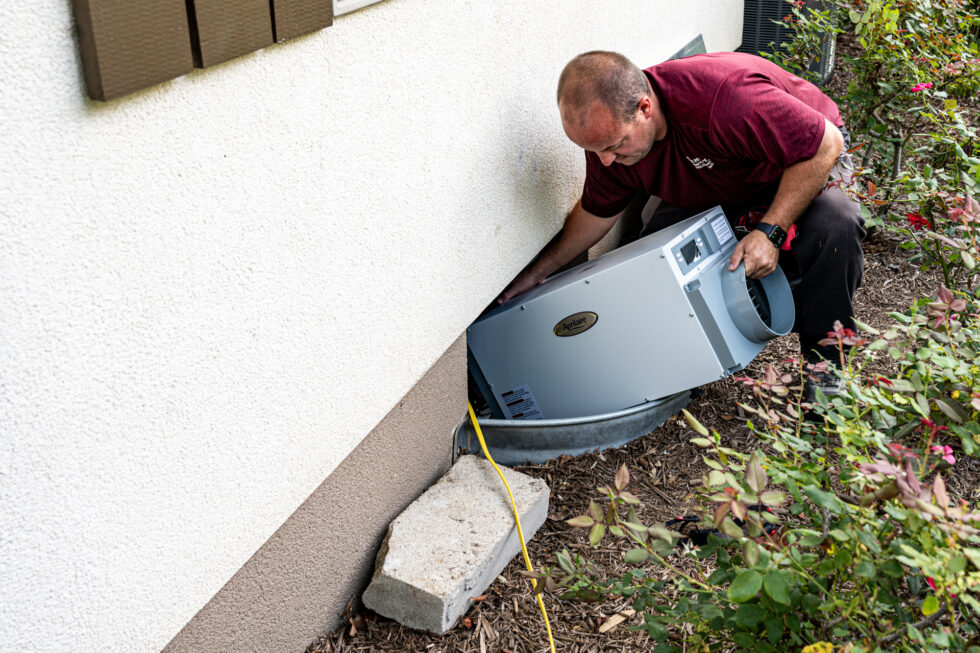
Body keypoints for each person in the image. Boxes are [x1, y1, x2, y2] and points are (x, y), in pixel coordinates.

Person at [498, 50, 865, 395]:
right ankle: (678, 370)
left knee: (834, 227)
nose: (606, 161)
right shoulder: (610, 143)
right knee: (651, 267)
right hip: (722, 176)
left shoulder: (723, 98)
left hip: (799, 160)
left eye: (614, 146)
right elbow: (596, 213)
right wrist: (537, 272)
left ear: (645, 107)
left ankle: (827, 373)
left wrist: (769, 230)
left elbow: (824, 145)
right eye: (595, 151)